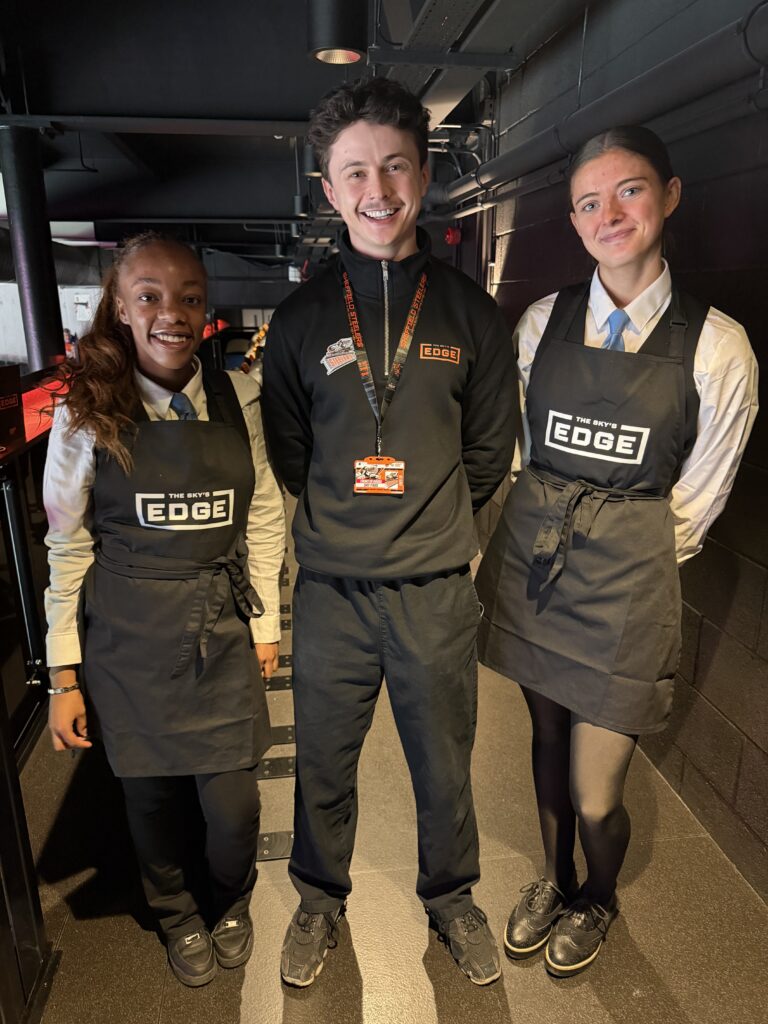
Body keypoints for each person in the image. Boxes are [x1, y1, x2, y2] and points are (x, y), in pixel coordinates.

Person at [474, 126, 758, 978]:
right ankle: (555, 880)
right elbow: (523, 455)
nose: (610, 214)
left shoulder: (718, 346)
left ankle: (598, 895)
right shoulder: (541, 322)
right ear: (573, 220)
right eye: (589, 202)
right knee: (545, 742)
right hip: (540, 572)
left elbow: (697, 503)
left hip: (628, 590)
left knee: (597, 792)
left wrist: (618, 555)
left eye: (629, 191)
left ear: (668, 195)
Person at [262, 77, 519, 987]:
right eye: (356, 172)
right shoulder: (299, 321)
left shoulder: (470, 312)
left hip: (435, 592)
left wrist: (433, 527)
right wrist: (349, 523)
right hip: (331, 592)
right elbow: (292, 453)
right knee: (322, 764)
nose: (378, 190)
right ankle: (318, 901)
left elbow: (489, 452)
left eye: (396, 166)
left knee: (445, 766)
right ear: (330, 189)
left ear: (424, 175)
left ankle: (452, 899)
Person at [43, 233, 285, 987]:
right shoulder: (84, 414)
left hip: (221, 626)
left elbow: (264, 514)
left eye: (188, 297)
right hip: (129, 638)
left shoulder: (239, 398)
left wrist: (267, 624)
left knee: (233, 806)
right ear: (120, 306)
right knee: (148, 799)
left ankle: (232, 898)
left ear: (206, 308)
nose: (170, 313)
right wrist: (63, 675)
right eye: (149, 295)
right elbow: (67, 546)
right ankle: (176, 913)